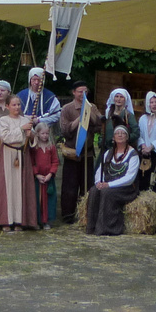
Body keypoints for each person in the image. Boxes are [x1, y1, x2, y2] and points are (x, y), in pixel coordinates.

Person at [0, 94, 37, 231]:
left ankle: (19, 220)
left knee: (20, 186)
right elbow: (5, 137)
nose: (17, 107)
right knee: (7, 186)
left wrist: (30, 135)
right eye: (14, 105)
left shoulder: (25, 119)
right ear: (8, 106)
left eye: (18, 105)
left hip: (22, 154)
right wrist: (21, 129)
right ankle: (6, 220)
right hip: (8, 155)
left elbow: (32, 138)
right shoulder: (3, 120)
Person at [57, 79, 103, 223]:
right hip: (72, 152)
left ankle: (86, 213)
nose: (83, 94)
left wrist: (89, 113)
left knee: (87, 185)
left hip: (87, 153)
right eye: (80, 91)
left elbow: (98, 124)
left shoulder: (92, 107)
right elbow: (64, 130)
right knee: (70, 186)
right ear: (74, 92)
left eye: (85, 91)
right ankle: (68, 215)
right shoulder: (67, 109)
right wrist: (79, 119)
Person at [85, 124, 140, 236]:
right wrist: (98, 183)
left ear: (127, 137)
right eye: (117, 133)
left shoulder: (133, 154)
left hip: (126, 189)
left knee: (107, 193)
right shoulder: (108, 153)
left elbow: (129, 178)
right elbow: (100, 171)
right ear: (113, 138)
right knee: (94, 191)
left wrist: (108, 185)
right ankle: (92, 226)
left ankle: (108, 228)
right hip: (107, 184)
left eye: (123, 133)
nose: (120, 135)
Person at [30, 122, 59, 228]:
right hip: (38, 179)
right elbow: (31, 162)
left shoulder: (51, 147)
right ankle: (37, 220)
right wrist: (36, 174)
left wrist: (50, 174)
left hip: (48, 179)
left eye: (47, 133)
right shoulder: (34, 148)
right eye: (42, 133)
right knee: (37, 200)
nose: (45, 136)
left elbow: (55, 162)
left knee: (49, 201)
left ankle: (47, 220)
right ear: (37, 134)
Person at [137, 92, 156, 191]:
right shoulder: (143, 119)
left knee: (154, 178)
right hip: (144, 153)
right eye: (151, 102)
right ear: (148, 104)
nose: (154, 104)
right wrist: (143, 145)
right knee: (143, 177)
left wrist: (152, 146)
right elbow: (139, 134)